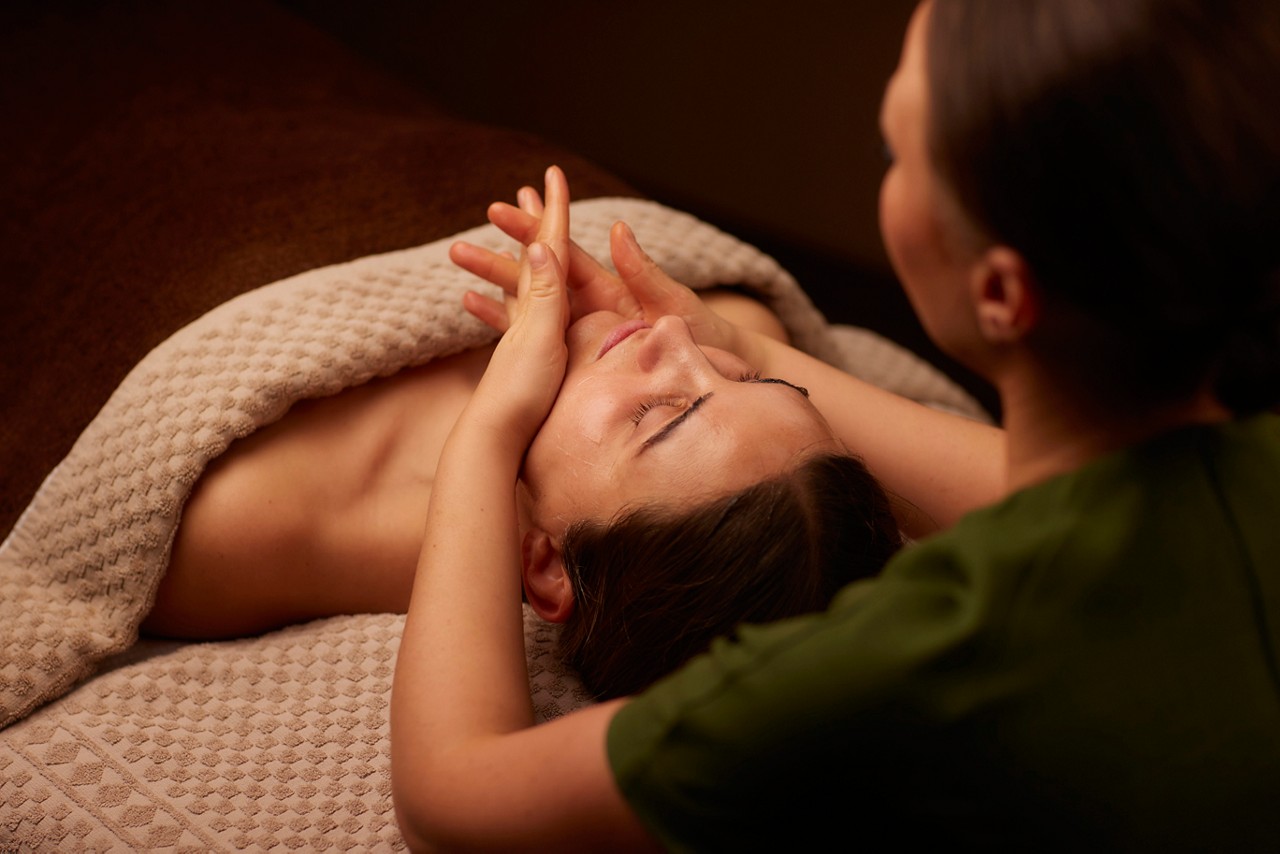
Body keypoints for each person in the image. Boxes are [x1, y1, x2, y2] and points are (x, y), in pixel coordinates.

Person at [389, 0, 1280, 850]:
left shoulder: (907, 665)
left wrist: (492, 428)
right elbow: (1046, 488)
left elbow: (451, 796)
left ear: (1001, 292)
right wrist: (732, 346)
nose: (672, 349)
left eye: (893, 154)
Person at [140, 167, 914, 701]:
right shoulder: (742, 331)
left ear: (547, 565)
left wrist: (498, 415)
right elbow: (743, 328)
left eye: (658, 414)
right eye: (752, 381)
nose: (677, 335)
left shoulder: (254, 523)